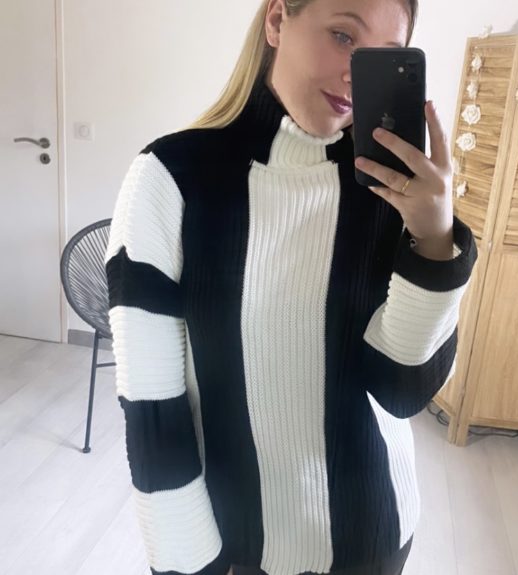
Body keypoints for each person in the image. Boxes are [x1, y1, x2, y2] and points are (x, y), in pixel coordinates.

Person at [105, 0, 477, 574]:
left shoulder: (392, 193)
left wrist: (434, 241)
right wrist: (185, 563)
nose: (354, 75)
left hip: (375, 534)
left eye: (383, 56)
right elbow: (153, 408)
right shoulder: (171, 179)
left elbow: (403, 391)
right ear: (277, 20)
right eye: (343, 36)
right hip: (240, 547)